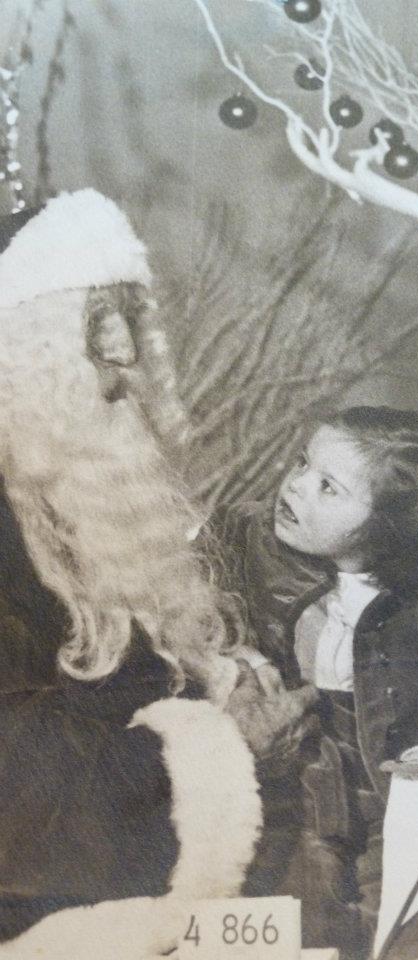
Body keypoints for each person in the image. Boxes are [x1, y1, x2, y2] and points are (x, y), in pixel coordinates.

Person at [0, 190, 263, 951]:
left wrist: (215, 680)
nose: (123, 350)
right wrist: (212, 744)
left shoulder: (61, 492)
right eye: (93, 323)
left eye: (127, 317)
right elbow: (19, 778)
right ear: (31, 350)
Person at [215, 405, 418, 959]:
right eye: (302, 464)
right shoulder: (243, 542)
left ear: (387, 527)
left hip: (389, 791)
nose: (296, 487)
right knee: (296, 913)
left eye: (328, 487)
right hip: (290, 786)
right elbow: (185, 602)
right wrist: (235, 657)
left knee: (392, 919)